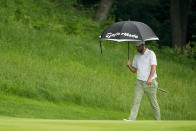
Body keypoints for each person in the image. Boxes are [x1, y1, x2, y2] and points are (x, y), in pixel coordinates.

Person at [124, 41, 161, 121]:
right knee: (136, 101)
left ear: (143, 45)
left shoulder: (151, 54)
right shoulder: (137, 55)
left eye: (138, 46)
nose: (137, 48)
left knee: (154, 104)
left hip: (150, 83)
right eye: (136, 46)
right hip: (139, 83)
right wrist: (129, 66)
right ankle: (131, 119)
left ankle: (158, 121)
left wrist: (150, 78)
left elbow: (153, 67)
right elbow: (134, 70)